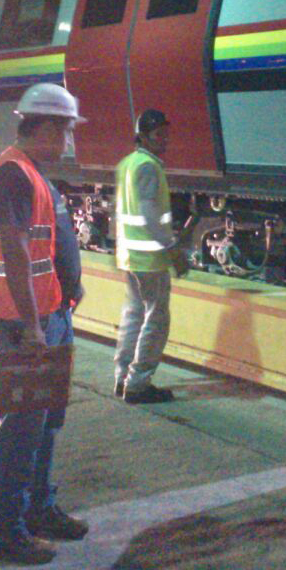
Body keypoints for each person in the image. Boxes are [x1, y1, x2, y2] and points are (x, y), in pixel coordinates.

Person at [0, 82, 89, 564]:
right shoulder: (10, 175)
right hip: (19, 322)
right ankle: (1, 528)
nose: (67, 139)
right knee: (18, 424)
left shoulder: (32, 174)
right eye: (63, 129)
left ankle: (38, 509)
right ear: (40, 126)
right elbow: (15, 251)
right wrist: (31, 324)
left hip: (50, 313)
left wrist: (65, 294)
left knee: (44, 422)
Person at [113, 108, 189, 404]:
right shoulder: (148, 167)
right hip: (149, 259)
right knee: (156, 319)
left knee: (133, 316)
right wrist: (171, 248)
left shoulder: (128, 164)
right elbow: (149, 213)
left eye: (166, 134)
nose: (165, 140)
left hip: (130, 256)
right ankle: (139, 383)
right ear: (143, 137)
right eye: (159, 135)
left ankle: (122, 378)